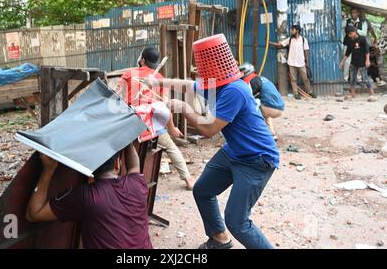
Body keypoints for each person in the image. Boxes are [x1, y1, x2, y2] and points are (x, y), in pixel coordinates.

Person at [146, 34, 279, 249]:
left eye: (202, 66)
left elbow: (208, 129)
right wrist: (158, 81)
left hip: (257, 159)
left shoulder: (234, 90)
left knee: (238, 222)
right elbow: (188, 85)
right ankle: (219, 239)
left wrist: (183, 108)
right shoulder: (215, 82)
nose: (199, 71)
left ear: (212, 65)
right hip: (235, 151)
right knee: (203, 190)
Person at [25, 143, 153, 249]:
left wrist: (48, 170)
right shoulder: (137, 183)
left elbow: (34, 214)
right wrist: (128, 140)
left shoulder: (86, 196)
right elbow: (134, 166)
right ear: (117, 164)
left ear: (89, 169)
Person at [115, 46, 195, 190]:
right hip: (153, 126)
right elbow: (164, 106)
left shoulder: (129, 74)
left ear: (142, 59)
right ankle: (188, 180)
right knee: (171, 147)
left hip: (131, 124)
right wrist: (171, 127)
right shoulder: (160, 79)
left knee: (120, 150)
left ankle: (120, 183)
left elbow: (114, 94)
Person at [239, 63, 285, 140]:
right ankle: (271, 133)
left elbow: (247, 98)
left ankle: (255, 134)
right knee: (261, 106)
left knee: (249, 107)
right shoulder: (261, 78)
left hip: (270, 108)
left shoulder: (252, 81)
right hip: (280, 107)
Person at [270, 24, 316, 100]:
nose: (291, 31)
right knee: (293, 80)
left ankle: (309, 92)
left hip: (301, 62)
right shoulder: (290, 39)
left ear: (297, 31)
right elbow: (280, 44)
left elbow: (306, 50)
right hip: (291, 63)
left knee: (305, 78)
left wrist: (306, 61)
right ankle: (296, 93)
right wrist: (270, 43)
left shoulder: (303, 39)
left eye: (293, 30)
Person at [339, 26, 376, 101]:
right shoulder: (350, 41)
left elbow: (367, 51)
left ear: (355, 32)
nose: (350, 36)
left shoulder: (362, 39)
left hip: (362, 62)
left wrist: (367, 60)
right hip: (353, 62)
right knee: (353, 79)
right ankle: (352, 95)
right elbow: (347, 53)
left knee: (365, 78)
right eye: (348, 34)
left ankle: (372, 94)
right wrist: (342, 61)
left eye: (351, 34)